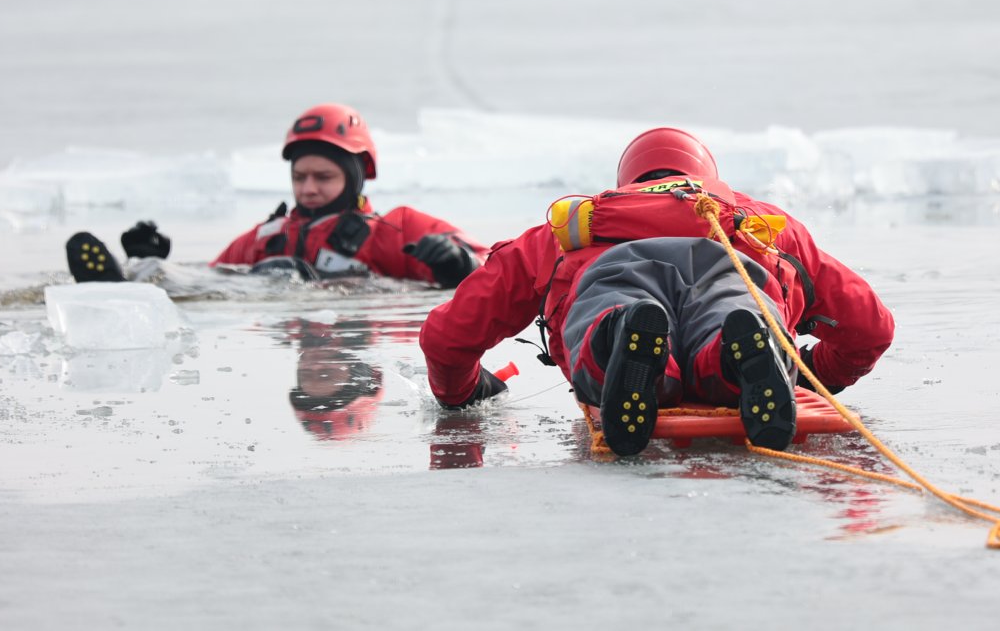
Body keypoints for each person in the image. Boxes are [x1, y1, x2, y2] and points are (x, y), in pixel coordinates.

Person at [416, 127, 895, 457]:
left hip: (614, 273)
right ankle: (734, 356)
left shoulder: (569, 228)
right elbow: (871, 327)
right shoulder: (763, 224)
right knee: (734, 314)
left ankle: (620, 340)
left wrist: (462, 392)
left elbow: (446, 336)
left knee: (612, 312)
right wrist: (815, 374)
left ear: (627, 180)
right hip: (729, 268)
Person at [66, 103, 489, 287]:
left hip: (357, 315)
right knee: (188, 280)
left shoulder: (398, 228)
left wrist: (458, 264)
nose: (308, 188)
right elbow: (213, 281)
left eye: (323, 176)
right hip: (270, 295)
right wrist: (161, 264)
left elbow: (493, 267)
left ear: (357, 176)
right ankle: (137, 271)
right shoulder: (268, 236)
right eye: (299, 176)